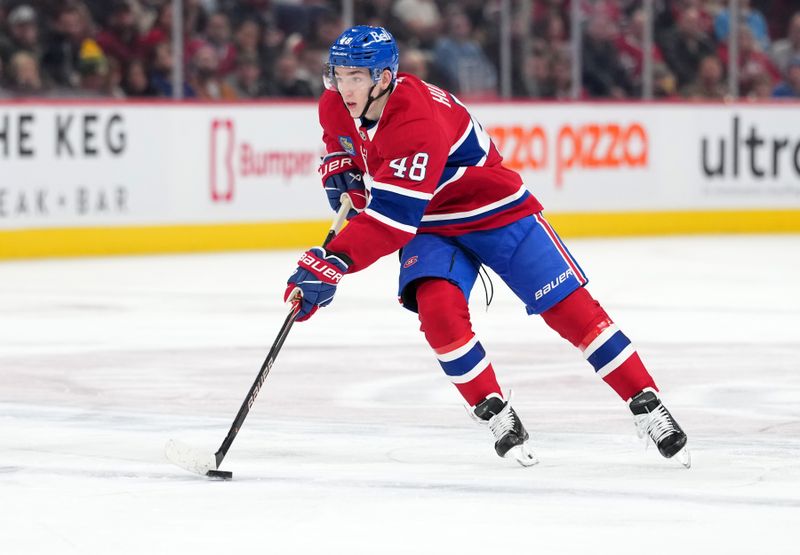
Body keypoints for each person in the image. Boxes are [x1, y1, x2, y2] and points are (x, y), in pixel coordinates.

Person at [284, 25, 690, 468]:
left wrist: (333, 261)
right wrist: (339, 167)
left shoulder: (415, 120)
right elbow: (340, 146)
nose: (344, 88)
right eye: (338, 75)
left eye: (355, 77)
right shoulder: (335, 104)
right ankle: (496, 411)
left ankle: (647, 404)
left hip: (492, 209)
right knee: (438, 314)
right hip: (430, 223)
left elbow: (390, 222)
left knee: (570, 309)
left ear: (384, 77)